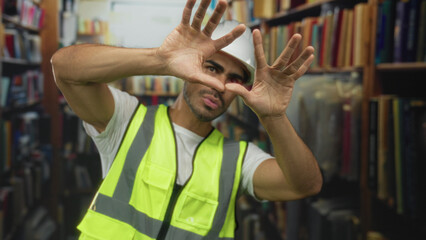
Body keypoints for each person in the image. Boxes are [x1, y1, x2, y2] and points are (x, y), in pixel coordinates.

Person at [51, 0, 323, 239]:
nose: (219, 84)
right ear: (188, 67)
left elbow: (305, 185)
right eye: (212, 68)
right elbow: (64, 69)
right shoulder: (126, 119)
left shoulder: (240, 159)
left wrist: (273, 117)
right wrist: (160, 60)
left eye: (234, 79)